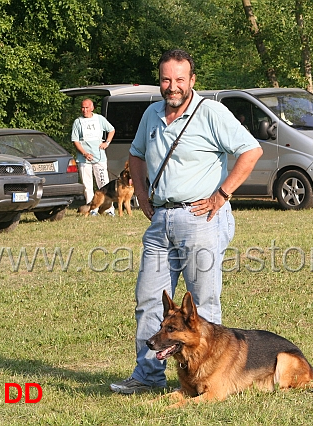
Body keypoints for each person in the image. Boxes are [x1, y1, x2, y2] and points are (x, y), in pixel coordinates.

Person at [109, 49, 263, 394]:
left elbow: (251, 151)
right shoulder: (151, 113)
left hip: (201, 218)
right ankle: (147, 378)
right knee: (149, 301)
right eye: (166, 79)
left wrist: (221, 195)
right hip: (161, 220)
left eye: (180, 79)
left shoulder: (210, 112)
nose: (172, 86)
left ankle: (207, 382)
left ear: (192, 81)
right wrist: (144, 198)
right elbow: (135, 155)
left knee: (201, 306)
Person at [71, 98, 116, 216]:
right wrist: (84, 153)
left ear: (92, 108)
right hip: (84, 158)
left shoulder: (99, 119)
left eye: (87, 107)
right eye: (82, 107)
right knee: (87, 185)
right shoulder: (78, 122)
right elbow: (75, 140)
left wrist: (107, 143)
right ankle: (92, 209)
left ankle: (109, 208)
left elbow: (111, 130)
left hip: (99, 157)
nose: (84, 110)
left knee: (104, 183)